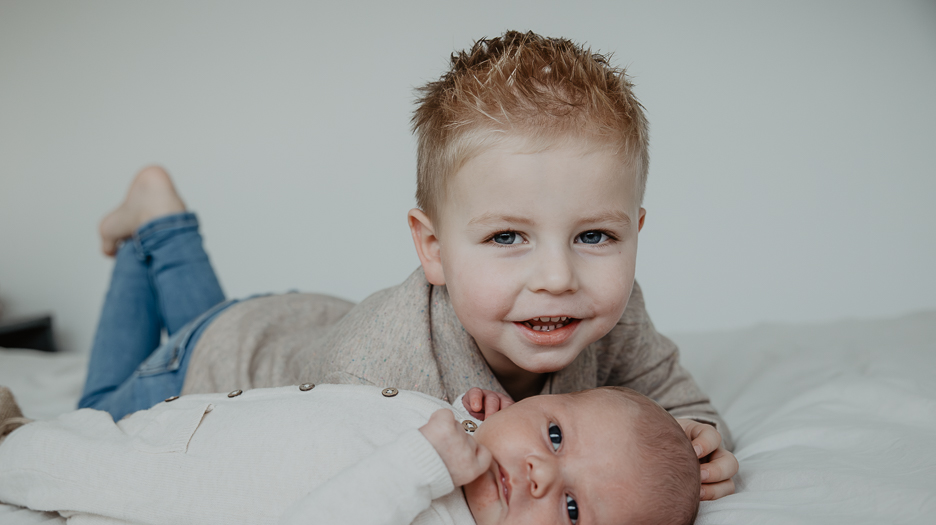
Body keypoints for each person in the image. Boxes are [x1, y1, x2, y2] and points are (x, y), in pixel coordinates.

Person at [80, 30, 738, 500]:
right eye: (509, 236)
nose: (558, 277)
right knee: (91, 424)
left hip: (301, 318)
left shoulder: (613, 314)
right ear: (433, 249)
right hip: (217, 366)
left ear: (636, 232)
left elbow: (680, 400)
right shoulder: (379, 372)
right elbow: (348, 497)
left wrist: (696, 440)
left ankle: (158, 213)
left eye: (594, 236)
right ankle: (154, 228)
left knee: (209, 316)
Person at [0, 380, 700, 525]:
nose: (539, 471)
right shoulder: (472, 435)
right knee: (109, 429)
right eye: (556, 435)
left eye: (571, 508)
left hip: (180, 478)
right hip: (209, 417)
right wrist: (473, 429)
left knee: (72, 469)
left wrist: (429, 465)